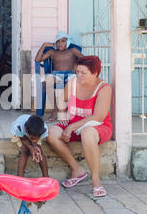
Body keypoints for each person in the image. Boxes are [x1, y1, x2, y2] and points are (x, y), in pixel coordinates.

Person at [47, 56, 112, 198]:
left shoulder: (104, 88)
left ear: (95, 73)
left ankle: (95, 180)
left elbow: (99, 116)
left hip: (97, 126)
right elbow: (61, 99)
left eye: (83, 73)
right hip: (74, 124)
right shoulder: (72, 83)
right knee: (52, 133)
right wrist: (63, 115)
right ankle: (77, 169)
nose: (79, 75)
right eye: (77, 72)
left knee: (87, 133)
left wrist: (71, 127)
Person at [35, 32, 84, 121]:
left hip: (71, 75)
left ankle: (70, 111)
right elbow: (37, 59)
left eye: (63, 41)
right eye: (58, 41)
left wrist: (76, 66)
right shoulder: (52, 52)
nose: (60, 43)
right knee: (47, 82)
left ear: (67, 42)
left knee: (75, 83)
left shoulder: (72, 50)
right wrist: (44, 45)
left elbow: (84, 59)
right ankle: (55, 109)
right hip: (56, 75)